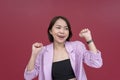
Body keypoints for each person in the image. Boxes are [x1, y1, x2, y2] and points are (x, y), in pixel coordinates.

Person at [24, 16, 103, 80]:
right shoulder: (43, 52)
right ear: (50, 31)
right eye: (58, 27)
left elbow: (96, 63)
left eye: (66, 28)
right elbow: (28, 77)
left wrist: (89, 39)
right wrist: (34, 54)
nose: (62, 31)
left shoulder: (76, 47)